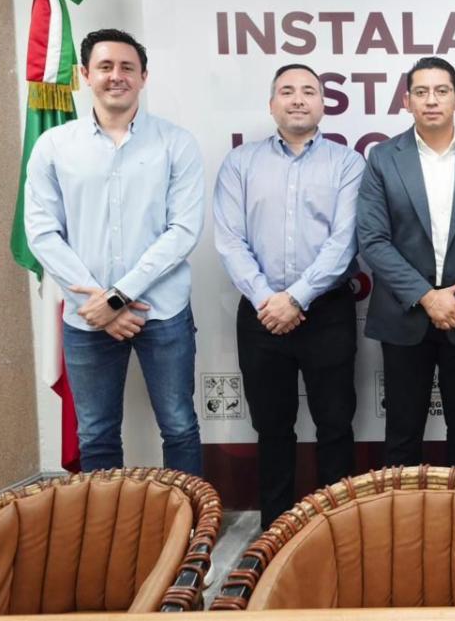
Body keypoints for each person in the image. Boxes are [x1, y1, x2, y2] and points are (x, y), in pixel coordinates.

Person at [24, 28, 204, 474]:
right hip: (86, 317)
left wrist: (118, 297)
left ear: (143, 77)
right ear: (86, 75)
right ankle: (111, 519)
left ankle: (190, 516)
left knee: (179, 427)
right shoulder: (54, 146)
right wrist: (99, 305)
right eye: (105, 67)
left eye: (127, 67)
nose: (116, 76)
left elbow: (183, 230)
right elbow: (42, 232)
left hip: (162, 312)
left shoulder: (176, 142)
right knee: (97, 435)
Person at [213, 63, 364, 528]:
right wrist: (269, 299)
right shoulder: (240, 163)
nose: (298, 99)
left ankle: (335, 528)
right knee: (272, 428)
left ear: (323, 103)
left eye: (309, 91)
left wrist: (296, 298)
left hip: (328, 312)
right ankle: (275, 531)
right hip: (261, 315)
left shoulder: (348, 164)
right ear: (271, 103)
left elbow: (344, 242)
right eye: (287, 91)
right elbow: (230, 240)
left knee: (335, 425)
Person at [357, 56, 455, 469]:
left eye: (441, 91)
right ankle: (405, 512)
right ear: (407, 101)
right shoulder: (383, 158)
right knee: (402, 434)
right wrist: (427, 297)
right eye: (421, 92)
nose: (431, 100)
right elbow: (373, 239)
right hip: (404, 315)